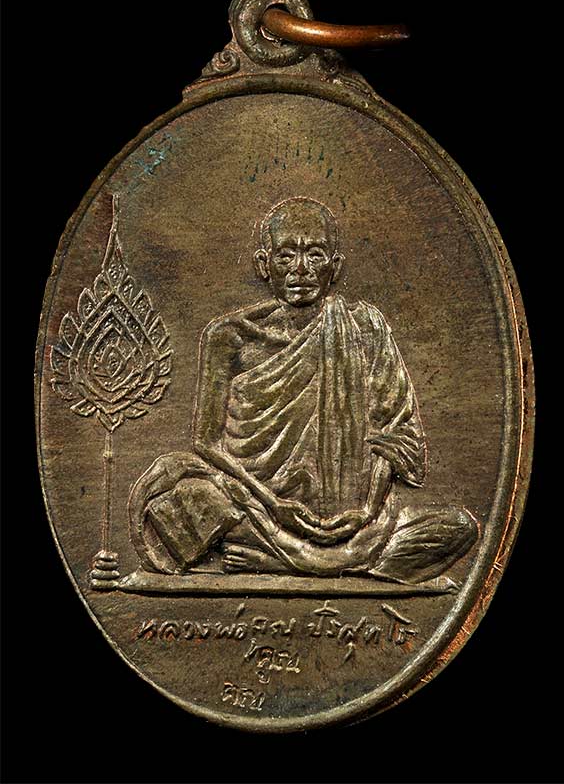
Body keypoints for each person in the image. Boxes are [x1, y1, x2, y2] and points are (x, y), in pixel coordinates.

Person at [129, 197, 477, 579]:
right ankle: (325, 562)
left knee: (459, 527)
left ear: (335, 266)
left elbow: (397, 437)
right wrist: (273, 504)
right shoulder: (228, 336)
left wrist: (364, 511)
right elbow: (206, 442)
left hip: (355, 519)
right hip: (255, 505)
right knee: (186, 505)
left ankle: (281, 561)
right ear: (264, 264)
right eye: (286, 256)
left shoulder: (364, 328)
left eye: (314, 255)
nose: (300, 269)